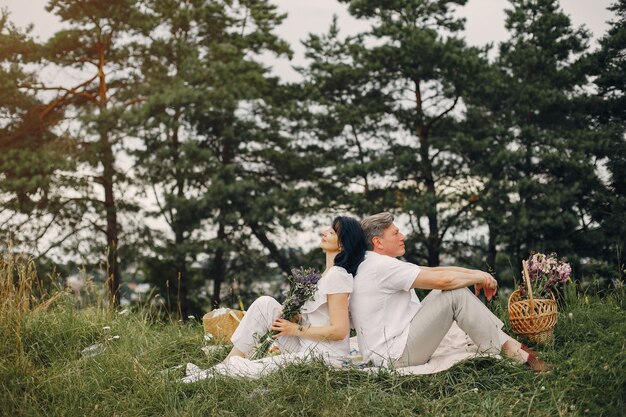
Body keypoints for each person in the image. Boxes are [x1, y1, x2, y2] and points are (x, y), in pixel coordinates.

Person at [349, 212, 550, 372]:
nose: (403, 237)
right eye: (395, 233)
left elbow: (434, 272)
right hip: (394, 357)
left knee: (447, 292)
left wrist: (477, 273)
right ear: (378, 242)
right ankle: (508, 351)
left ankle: (507, 344)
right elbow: (444, 280)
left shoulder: (375, 263)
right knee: (453, 294)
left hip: (391, 350)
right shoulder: (381, 267)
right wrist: (480, 278)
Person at [184, 216, 366, 382]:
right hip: (307, 345)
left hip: (324, 357)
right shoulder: (325, 275)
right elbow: (320, 317)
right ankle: (224, 364)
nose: (324, 232)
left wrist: (295, 328)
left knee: (249, 369)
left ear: (342, 244)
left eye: (332, 232)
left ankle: (212, 375)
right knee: (265, 304)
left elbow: (340, 331)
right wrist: (295, 316)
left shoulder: (338, 276)